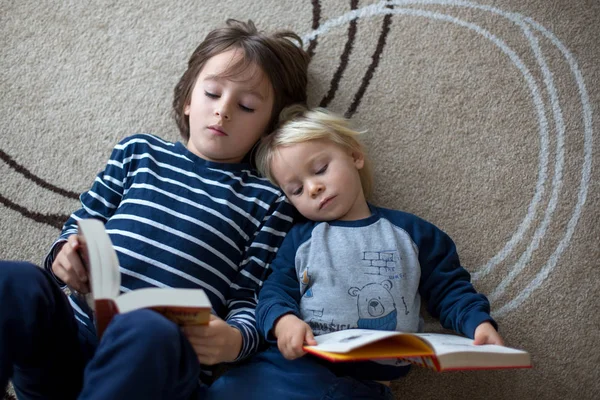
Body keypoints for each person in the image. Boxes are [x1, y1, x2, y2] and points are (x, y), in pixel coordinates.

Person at [0, 19, 309, 400]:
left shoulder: (267, 201)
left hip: (153, 367)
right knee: (15, 282)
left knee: (149, 328)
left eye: (246, 106)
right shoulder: (139, 152)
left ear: (267, 129)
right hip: (72, 340)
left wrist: (233, 341)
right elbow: (82, 224)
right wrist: (63, 257)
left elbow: (252, 299)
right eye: (212, 93)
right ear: (187, 100)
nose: (223, 111)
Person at [208, 106, 504, 400]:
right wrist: (284, 320)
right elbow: (274, 292)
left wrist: (476, 322)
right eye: (296, 190)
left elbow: (449, 288)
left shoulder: (413, 233)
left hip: (367, 382)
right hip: (292, 368)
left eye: (320, 169)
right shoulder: (299, 239)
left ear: (354, 155)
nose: (313, 188)